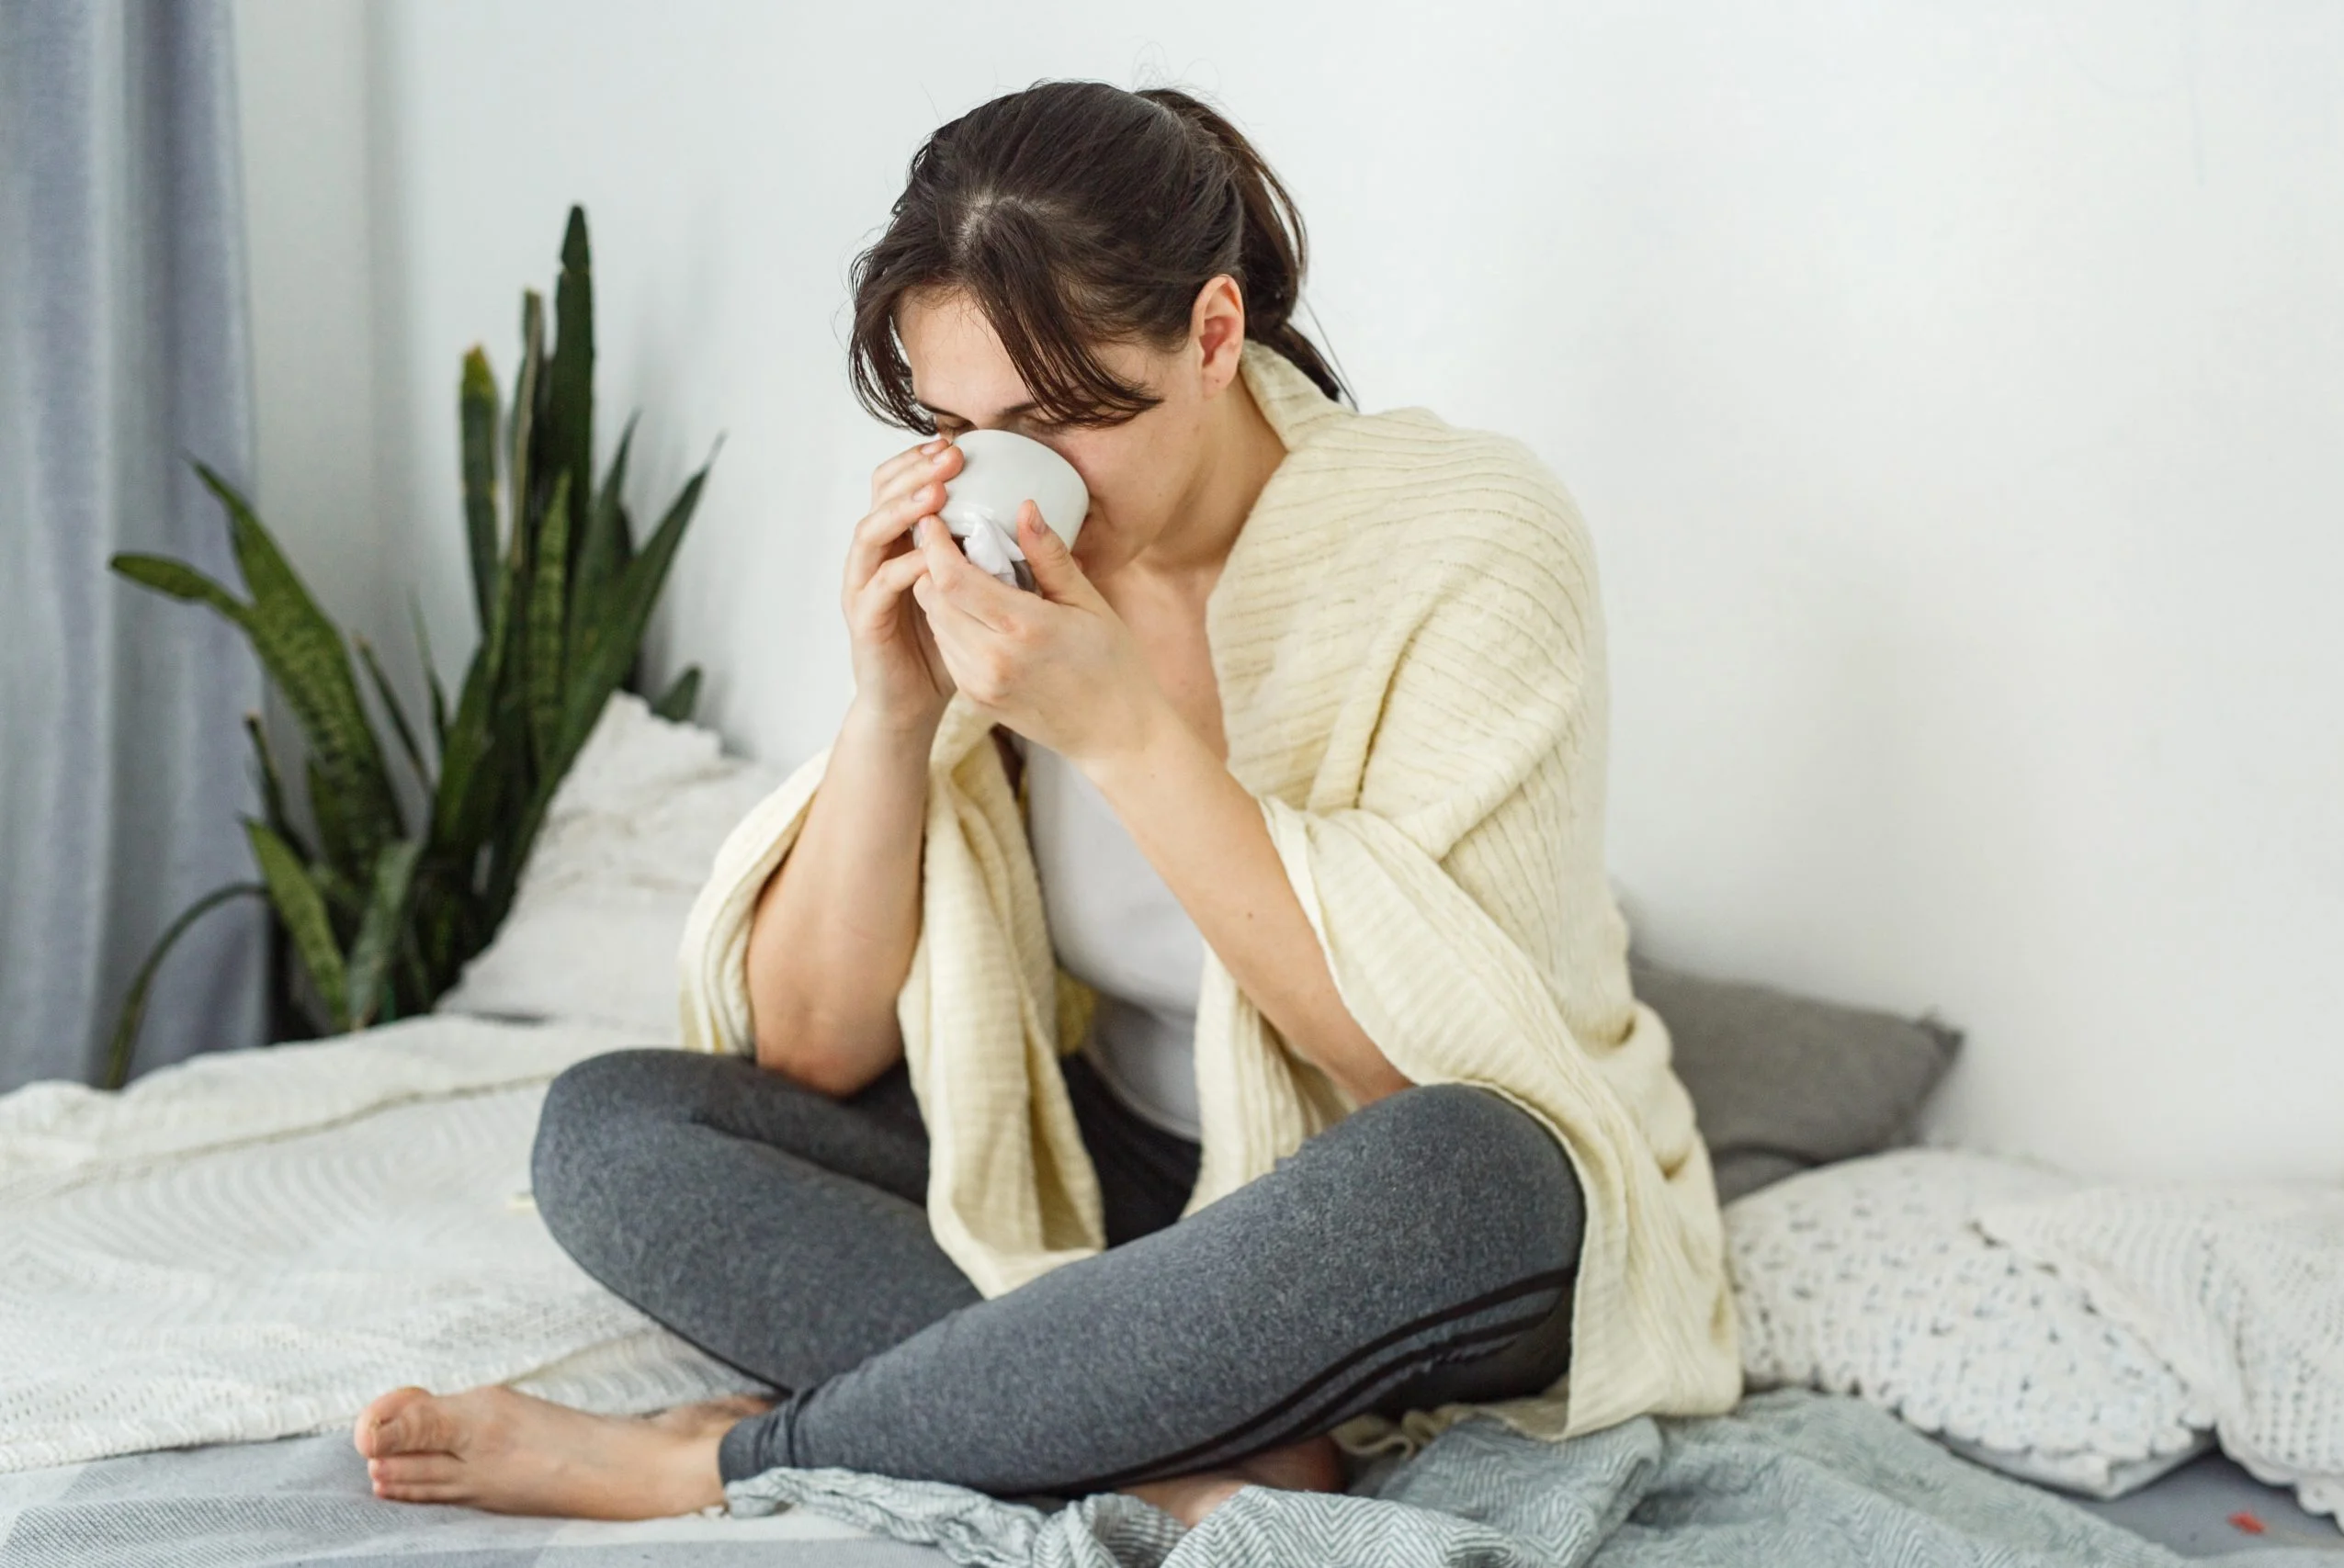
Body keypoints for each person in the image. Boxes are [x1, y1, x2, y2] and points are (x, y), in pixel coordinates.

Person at [352, 79, 1738, 1528]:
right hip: (1119, 1174)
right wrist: (892, 711)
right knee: (611, 1130)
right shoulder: (996, 566)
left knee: (1470, 1173)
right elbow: (812, 1052)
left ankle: (724, 1458)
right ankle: (1166, 1428)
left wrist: (1126, 733)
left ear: (1213, 335)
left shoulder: (1470, 538)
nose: (1010, 472)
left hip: (1386, 1198)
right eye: (958, 419)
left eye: (1059, 418)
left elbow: (1416, 1061)